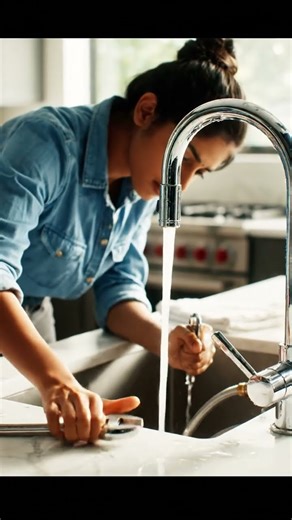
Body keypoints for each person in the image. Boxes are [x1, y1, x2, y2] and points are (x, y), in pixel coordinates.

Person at [0, 37, 247, 444]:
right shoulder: (42, 144)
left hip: (29, 320)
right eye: (182, 158)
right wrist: (56, 380)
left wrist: (165, 340)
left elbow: (118, 290)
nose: (180, 184)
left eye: (198, 172)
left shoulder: (139, 186)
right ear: (146, 111)